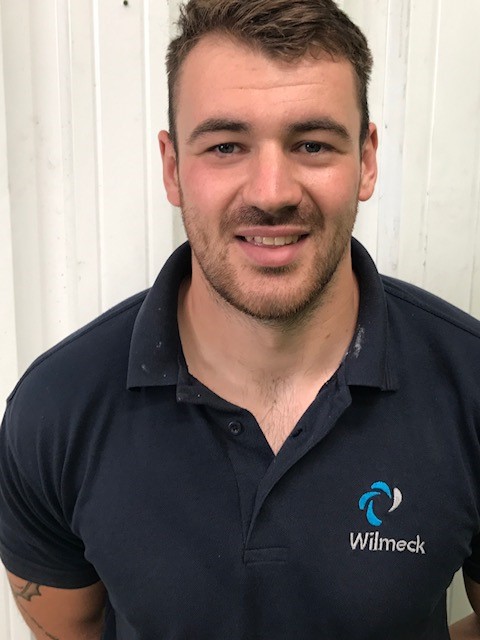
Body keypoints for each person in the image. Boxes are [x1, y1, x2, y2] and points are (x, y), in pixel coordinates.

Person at [1, 0, 480, 638]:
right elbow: (69, 629)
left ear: (366, 160)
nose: (271, 191)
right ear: (173, 167)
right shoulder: (56, 410)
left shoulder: (470, 385)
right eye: (226, 146)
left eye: (312, 144)